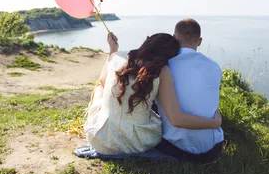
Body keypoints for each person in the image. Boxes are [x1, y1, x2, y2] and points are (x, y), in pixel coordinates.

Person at [83, 32, 222, 156]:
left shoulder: (118, 56)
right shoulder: (162, 71)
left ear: (147, 42)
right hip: (137, 142)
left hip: (100, 139)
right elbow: (176, 118)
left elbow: (102, 81)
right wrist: (214, 123)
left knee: (99, 89)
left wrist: (113, 51)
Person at [154, 19, 224, 163]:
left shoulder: (166, 65)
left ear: (174, 38)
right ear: (199, 41)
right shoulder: (214, 67)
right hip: (211, 150)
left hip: (175, 149)